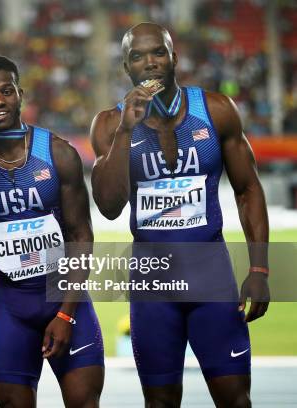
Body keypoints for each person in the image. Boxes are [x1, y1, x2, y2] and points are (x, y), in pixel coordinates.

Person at [90, 22, 270, 407]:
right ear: (126, 68)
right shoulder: (109, 123)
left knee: (236, 400)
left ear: (174, 57)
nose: (149, 62)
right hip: (153, 283)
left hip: (212, 278)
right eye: (137, 56)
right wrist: (125, 131)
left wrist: (259, 270)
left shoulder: (217, 110)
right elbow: (108, 207)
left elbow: (248, 189)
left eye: (157, 52)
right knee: (160, 403)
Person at [0, 55, 104, 408]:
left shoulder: (57, 153)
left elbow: (81, 238)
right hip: (11, 306)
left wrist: (65, 313)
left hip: (65, 299)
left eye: (6, 91)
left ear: (20, 94)